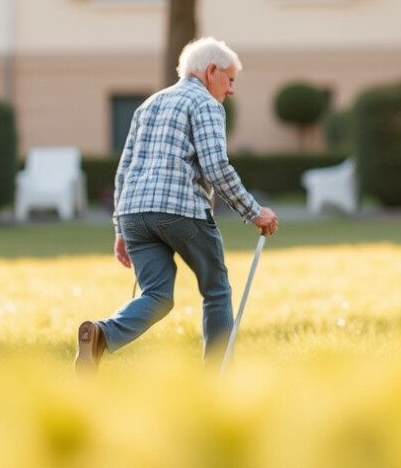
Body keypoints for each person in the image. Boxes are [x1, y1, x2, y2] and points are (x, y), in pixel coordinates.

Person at [76, 37, 277, 373]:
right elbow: (216, 166)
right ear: (211, 71)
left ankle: (101, 334)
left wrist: (121, 229)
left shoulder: (149, 104)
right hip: (180, 210)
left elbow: (124, 169)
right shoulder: (205, 104)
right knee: (216, 291)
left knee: (157, 295)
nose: (231, 91)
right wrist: (254, 212)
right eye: (230, 80)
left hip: (135, 214)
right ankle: (217, 376)